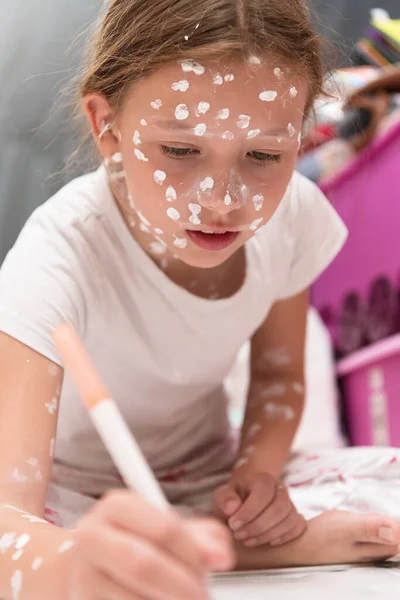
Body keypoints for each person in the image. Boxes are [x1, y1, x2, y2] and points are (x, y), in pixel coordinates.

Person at [0, 1, 399, 599]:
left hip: (210, 474)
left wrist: (257, 477)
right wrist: (74, 568)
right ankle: (213, 550)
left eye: (264, 155)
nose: (223, 201)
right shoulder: (57, 256)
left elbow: (279, 375)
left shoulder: (289, 219)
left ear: (300, 134)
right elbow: (10, 511)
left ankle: (220, 540)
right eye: (180, 152)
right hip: (75, 494)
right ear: (106, 126)